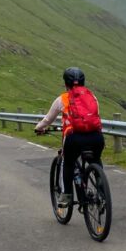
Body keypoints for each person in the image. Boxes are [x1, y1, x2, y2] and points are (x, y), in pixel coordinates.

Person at [35, 67, 105, 206]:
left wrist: (38, 128)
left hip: (74, 138)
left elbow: (48, 120)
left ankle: (66, 195)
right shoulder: (92, 97)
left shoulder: (62, 99)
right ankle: (102, 193)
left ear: (66, 83)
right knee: (96, 160)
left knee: (68, 163)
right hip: (96, 137)